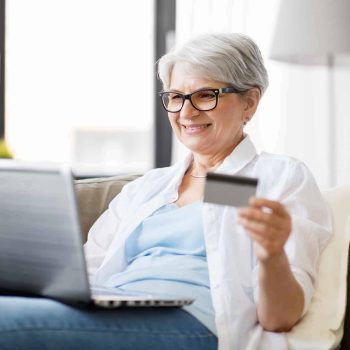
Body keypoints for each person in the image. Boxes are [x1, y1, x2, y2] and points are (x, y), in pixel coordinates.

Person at [0, 33, 331, 350]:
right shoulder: (148, 188)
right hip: (114, 309)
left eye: (205, 95)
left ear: (250, 103)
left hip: (197, 323)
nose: (186, 113)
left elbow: (280, 319)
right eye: (175, 97)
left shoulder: (277, 177)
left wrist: (272, 256)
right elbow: (84, 271)